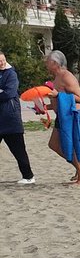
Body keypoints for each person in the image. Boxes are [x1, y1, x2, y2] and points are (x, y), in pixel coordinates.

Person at [44, 50, 80, 186]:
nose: (46, 63)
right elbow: (58, 102)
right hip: (63, 116)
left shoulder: (66, 76)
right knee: (54, 145)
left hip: (72, 115)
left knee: (72, 145)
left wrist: (58, 96)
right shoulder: (56, 77)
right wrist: (44, 107)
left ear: (55, 63)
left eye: (48, 61)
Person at [0, 50, 35, 184]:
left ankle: (28, 176)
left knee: (18, 150)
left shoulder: (11, 74)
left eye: (3, 60)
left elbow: (9, 93)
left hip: (11, 119)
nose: (1, 63)